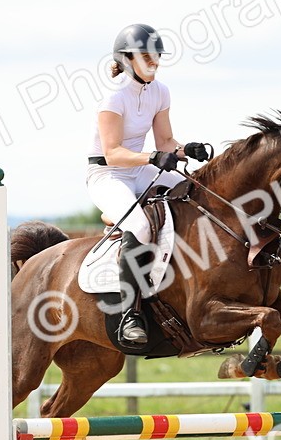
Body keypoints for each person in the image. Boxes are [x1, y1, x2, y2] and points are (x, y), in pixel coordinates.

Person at [87, 23, 205, 345]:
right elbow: (113, 154)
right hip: (107, 175)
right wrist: (154, 157)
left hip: (139, 168)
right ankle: (129, 314)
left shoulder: (160, 91)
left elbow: (165, 140)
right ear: (127, 59)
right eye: (147, 56)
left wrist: (183, 150)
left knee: (195, 191)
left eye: (156, 55)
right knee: (139, 226)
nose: (154, 61)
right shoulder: (114, 97)